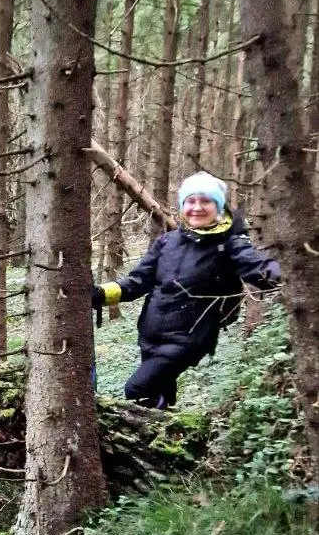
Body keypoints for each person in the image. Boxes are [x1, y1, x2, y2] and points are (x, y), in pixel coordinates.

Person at [92, 172, 280, 409]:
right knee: (160, 394)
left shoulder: (230, 244)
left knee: (137, 389)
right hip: (150, 335)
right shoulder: (168, 241)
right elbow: (138, 281)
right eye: (191, 201)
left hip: (189, 338)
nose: (197, 208)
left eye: (206, 201)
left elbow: (258, 269)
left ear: (219, 206)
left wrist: (289, 272)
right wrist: (100, 294)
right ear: (182, 205)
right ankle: (163, 435)